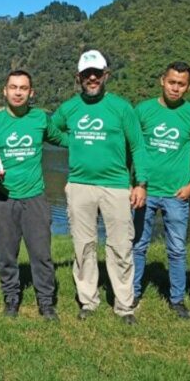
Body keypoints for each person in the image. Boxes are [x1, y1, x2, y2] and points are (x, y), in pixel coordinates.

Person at [52, 50, 150, 325]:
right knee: (83, 246)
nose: (92, 78)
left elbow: (138, 146)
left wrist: (140, 183)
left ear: (106, 75)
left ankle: (124, 305)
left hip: (116, 186)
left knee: (120, 246)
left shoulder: (121, 108)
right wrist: (72, 141)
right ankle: (88, 300)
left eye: (96, 73)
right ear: (78, 77)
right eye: (86, 74)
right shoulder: (70, 107)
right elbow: (52, 130)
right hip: (80, 185)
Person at [0, 70, 67, 320]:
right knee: (6, 255)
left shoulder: (40, 118)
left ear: (31, 93)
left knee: (42, 254)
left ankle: (46, 303)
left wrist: (91, 144)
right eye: (13, 87)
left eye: (23, 88)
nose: (18, 92)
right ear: (4, 91)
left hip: (35, 198)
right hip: (2, 198)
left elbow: (60, 139)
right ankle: (11, 298)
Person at [132, 61, 190, 319]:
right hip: (146, 192)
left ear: (188, 87)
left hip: (177, 195)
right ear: (162, 81)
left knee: (176, 248)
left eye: (181, 84)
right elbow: (134, 149)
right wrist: (134, 184)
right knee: (138, 245)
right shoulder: (143, 111)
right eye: (172, 82)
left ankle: (176, 299)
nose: (175, 88)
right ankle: (133, 293)